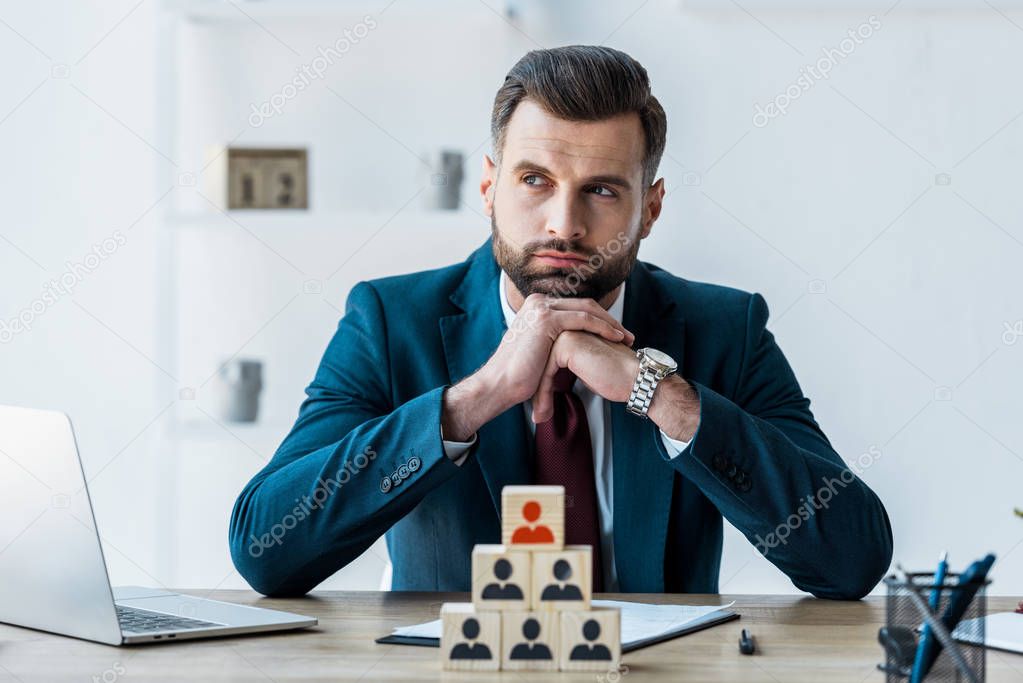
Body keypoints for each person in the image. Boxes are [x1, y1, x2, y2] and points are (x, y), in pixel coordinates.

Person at [229, 45, 893, 600]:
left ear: (651, 208)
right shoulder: (388, 320)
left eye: (601, 189)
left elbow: (850, 558)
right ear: (489, 187)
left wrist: (660, 395)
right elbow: (267, 548)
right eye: (534, 180)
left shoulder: (725, 328)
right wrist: (478, 395)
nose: (563, 224)